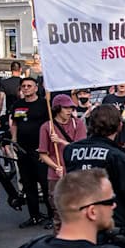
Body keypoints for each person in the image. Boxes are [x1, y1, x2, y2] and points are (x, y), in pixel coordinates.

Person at [63, 105, 125, 248]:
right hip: (111, 230)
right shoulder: (120, 158)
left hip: (78, 225)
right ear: (119, 126)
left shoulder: (70, 150)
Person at [38, 94, 87, 230]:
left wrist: (61, 141)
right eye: (66, 107)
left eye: (71, 107)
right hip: (56, 174)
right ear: (57, 108)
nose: (69, 110)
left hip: (76, 173)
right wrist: (55, 166)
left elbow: (80, 149)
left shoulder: (78, 124)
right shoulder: (46, 127)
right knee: (58, 212)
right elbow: (43, 154)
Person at [11, 77, 52, 229]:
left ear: (36, 88)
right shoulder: (17, 105)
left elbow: (50, 126)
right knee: (28, 185)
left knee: (45, 183)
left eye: (29, 86)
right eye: (24, 86)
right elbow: (14, 123)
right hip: (23, 150)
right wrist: (14, 140)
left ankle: (51, 215)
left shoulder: (43, 104)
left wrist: (46, 146)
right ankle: (34, 215)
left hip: (40, 150)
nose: (26, 88)